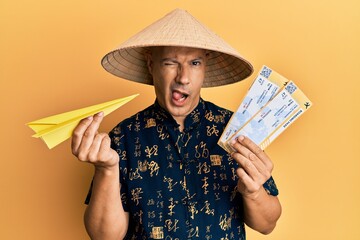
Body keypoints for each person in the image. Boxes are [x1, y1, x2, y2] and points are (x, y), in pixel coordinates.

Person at [71, 9, 282, 240]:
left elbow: (267, 225)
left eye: (194, 62)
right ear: (151, 65)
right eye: (171, 63)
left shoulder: (235, 130)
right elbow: (105, 237)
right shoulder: (124, 136)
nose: (183, 77)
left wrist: (253, 192)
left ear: (205, 67)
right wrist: (106, 169)